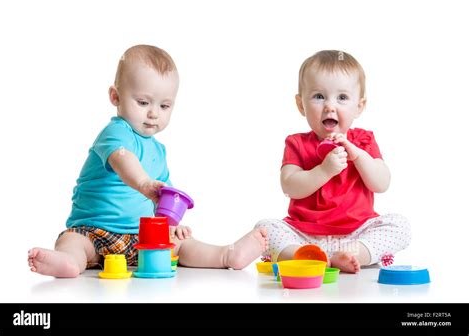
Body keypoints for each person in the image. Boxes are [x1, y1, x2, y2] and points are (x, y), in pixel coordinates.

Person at [28, 44, 268, 278]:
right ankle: (69, 261)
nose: (154, 113)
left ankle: (226, 254)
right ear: (115, 96)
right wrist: (143, 183)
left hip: (143, 238)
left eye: (164, 105)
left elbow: (163, 201)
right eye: (143, 102)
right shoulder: (115, 133)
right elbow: (124, 162)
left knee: (181, 243)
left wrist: (171, 225)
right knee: (72, 241)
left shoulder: (158, 151)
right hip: (93, 230)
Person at [255, 50, 410, 273]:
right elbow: (290, 187)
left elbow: (381, 183)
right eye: (319, 96)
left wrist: (357, 155)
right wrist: (324, 171)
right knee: (264, 228)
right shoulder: (296, 143)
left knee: (400, 225)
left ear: (359, 106)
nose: (330, 106)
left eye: (342, 98)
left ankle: (351, 254)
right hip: (304, 235)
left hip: (356, 233)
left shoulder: (363, 141)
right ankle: (304, 255)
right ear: (301, 105)